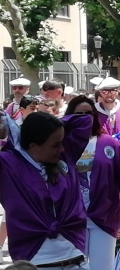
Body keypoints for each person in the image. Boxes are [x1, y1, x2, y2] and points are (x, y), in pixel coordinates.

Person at [0, 111, 91, 268]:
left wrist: (49, 124)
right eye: (55, 145)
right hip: (36, 262)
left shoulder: (64, 156)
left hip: (76, 259)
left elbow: (85, 120)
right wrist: (7, 130)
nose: (62, 148)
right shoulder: (8, 164)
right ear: (33, 146)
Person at [65, 96, 120, 270]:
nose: (84, 117)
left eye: (88, 113)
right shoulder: (62, 143)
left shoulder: (109, 143)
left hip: (104, 216)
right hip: (72, 218)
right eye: (79, 114)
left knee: (102, 266)